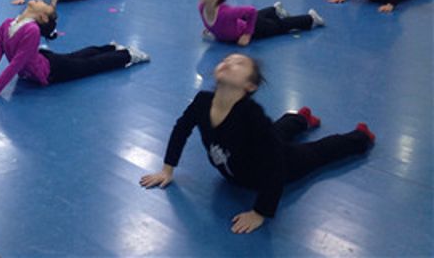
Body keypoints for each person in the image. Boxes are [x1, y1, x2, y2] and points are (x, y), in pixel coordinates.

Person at [140, 53, 375, 234]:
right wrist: (167, 169)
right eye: (227, 59)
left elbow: (276, 163)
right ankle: (301, 118)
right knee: (277, 132)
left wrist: (261, 212)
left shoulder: (251, 115)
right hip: (238, 169)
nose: (229, 62)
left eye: (239, 63)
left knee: (316, 151)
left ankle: (360, 137)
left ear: (250, 86)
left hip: (278, 166)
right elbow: (181, 129)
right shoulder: (202, 101)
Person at [0, 0, 150, 98]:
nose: (39, 0)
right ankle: (110, 47)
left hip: (51, 70)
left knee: (90, 65)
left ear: (43, 17)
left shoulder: (32, 30)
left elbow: (17, 63)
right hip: (44, 58)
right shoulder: (7, 24)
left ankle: (127, 54)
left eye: (43, 4)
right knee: (76, 56)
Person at [198, 0, 324, 45]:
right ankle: (274, 10)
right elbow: (217, 23)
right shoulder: (202, 7)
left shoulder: (226, 13)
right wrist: (213, 29)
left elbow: (251, 11)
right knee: (254, 17)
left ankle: (311, 18)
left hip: (256, 28)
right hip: (242, 22)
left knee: (280, 26)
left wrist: (247, 34)